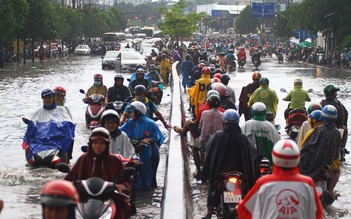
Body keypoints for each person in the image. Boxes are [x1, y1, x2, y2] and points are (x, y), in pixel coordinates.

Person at [237, 139, 323, 219]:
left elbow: (244, 210)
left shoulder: (264, 183)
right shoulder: (307, 184)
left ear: (274, 157)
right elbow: (317, 214)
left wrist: (240, 204)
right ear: (297, 158)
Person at [202, 109, 260, 219]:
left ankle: (209, 211)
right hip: (241, 175)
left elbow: (209, 154)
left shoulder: (218, 136)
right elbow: (252, 157)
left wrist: (205, 171)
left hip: (221, 174)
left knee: (212, 187)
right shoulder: (243, 138)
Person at [299, 105, 342, 204]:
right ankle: (330, 192)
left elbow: (304, 147)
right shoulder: (337, 133)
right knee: (336, 171)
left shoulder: (316, 130)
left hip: (309, 166)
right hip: (326, 167)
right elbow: (336, 154)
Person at [22, 89, 75, 165]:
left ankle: (66, 163)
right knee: (27, 148)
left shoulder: (61, 110)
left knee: (69, 141)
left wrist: (61, 127)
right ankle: (30, 165)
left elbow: (68, 123)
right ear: (43, 100)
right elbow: (32, 127)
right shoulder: (38, 112)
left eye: (49, 98)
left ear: (53, 98)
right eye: (45, 98)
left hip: (57, 139)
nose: (47, 100)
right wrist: (29, 123)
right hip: (40, 140)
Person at [120, 101, 165, 190]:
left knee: (149, 172)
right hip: (135, 149)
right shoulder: (130, 122)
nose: (130, 114)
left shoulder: (150, 123)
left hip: (148, 150)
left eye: (132, 112)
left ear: (138, 112)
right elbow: (120, 132)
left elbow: (157, 137)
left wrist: (147, 139)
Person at [320, 84, 349, 160]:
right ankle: (342, 148)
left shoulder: (322, 103)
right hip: (337, 128)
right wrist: (342, 125)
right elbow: (345, 114)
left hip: (323, 127)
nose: (336, 93)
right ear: (333, 94)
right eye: (335, 92)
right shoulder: (339, 104)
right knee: (345, 129)